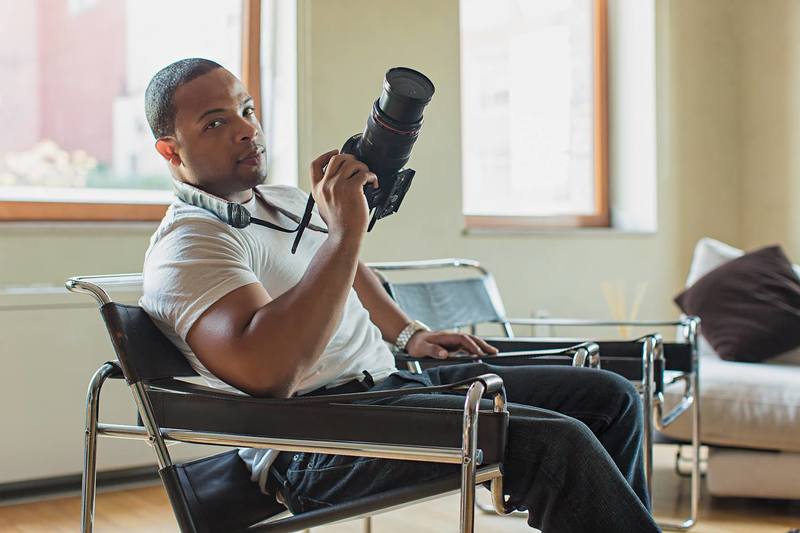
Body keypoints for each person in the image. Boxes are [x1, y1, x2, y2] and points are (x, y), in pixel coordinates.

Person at [140, 57, 661, 533]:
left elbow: (347, 271)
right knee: (554, 444)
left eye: (247, 110)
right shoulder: (189, 245)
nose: (247, 129)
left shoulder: (282, 201)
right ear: (170, 149)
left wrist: (409, 334)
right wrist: (345, 231)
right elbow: (271, 372)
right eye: (216, 123)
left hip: (389, 387)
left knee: (610, 398)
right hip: (314, 442)